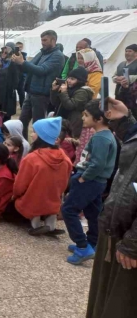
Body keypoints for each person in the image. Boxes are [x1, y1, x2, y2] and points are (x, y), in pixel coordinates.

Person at [87, 97, 137, 317]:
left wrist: (133, 244)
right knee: (103, 299)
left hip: (130, 241)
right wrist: (124, 120)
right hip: (116, 230)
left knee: (120, 306)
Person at [62, 100, 117, 265]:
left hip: (90, 180)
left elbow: (98, 164)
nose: (83, 118)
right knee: (93, 213)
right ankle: (92, 242)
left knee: (68, 210)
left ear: (99, 118)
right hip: (97, 182)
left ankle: (82, 246)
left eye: (86, 115)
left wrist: (83, 177)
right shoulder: (105, 135)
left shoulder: (101, 138)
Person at [10, 117, 72, 235]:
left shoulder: (31, 158)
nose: (32, 134)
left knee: (15, 206)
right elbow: (65, 183)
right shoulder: (65, 158)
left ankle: (35, 224)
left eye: (34, 132)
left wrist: (15, 195)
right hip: (53, 200)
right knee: (48, 202)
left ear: (42, 136)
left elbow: (20, 184)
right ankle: (50, 225)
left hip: (32, 201)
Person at [13, 30, 66, 138]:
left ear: (53, 40)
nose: (42, 43)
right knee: (21, 122)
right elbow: (29, 67)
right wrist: (19, 63)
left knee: (38, 125)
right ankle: (22, 146)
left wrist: (22, 62)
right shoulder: (42, 53)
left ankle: (39, 149)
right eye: (41, 40)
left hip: (42, 94)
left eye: (45, 40)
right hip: (31, 92)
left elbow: (42, 70)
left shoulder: (58, 56)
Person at [50, 67, 94, 138]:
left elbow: (70, 106)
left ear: (80, 81)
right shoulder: (68, 88)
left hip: (73, 122)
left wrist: (64, 93)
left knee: (67, 143)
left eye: (72, 79)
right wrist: (54, 90)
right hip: (61, 120)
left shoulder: (83, 92)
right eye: (69, 78)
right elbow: (54, 102)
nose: (69, 81)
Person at [0, 43, 21, 118]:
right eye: (2, 52)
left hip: (7, 91)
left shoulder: (13, 63)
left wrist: (13, 88)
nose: (3, 54)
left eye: (6, 52)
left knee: (6, 112)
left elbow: (16, 78)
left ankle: (5, 126)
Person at [113, 44, 137, 118]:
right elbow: (114, 75)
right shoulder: (121, 64)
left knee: (132, 115)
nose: (127, 53)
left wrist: (128, 79)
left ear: (136, 53)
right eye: (126, 51)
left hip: (132, 96)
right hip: (120, 94)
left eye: (130, 51)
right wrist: (116, 79)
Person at [14, 41, 28, 107]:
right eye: (18, 47)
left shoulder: (23, 56)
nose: (19, 48)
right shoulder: (12, 55)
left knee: (21, 92)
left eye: (20, 47)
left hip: (21, 76)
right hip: (14, 76)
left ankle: (22, 106)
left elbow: (25, 66)